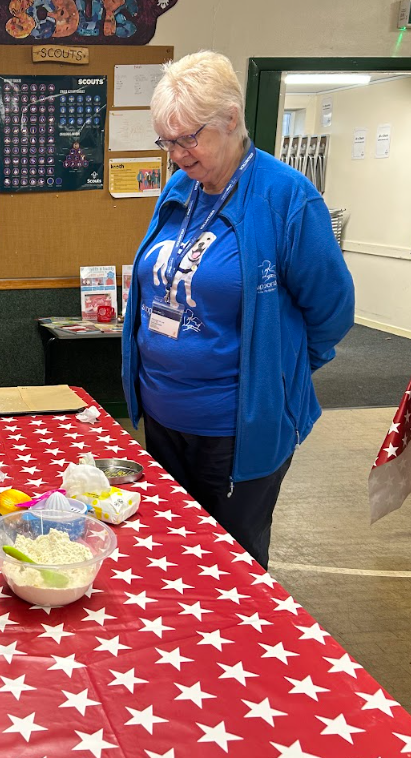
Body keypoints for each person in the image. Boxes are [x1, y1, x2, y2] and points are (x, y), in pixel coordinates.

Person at [121, 51, 354, 569]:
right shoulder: (181, 185)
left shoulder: (286, 198)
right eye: (166, 142)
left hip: (234, 428)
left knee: (231, 566)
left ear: (230, 118)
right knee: (172, 556)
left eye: (187, 138)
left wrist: (281, 371)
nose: (177, 155)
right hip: (164, 415)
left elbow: (332, 310)